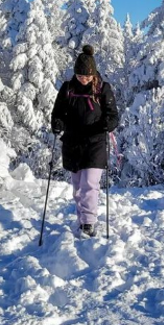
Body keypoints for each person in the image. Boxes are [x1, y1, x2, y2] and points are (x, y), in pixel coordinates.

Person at [50, 45, 119, 238]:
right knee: (78, 186)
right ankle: (82, 218)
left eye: (87, 76)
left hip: (95, 142)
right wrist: (57, 123)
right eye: (80, 76)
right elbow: (58, 113)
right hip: (72, 142)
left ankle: (89, 222)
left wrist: (107, 124)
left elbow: (113, 115)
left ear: (93, 73)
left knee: (90, 183)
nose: (84, 79)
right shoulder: (67, 89)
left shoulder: (102, 89)